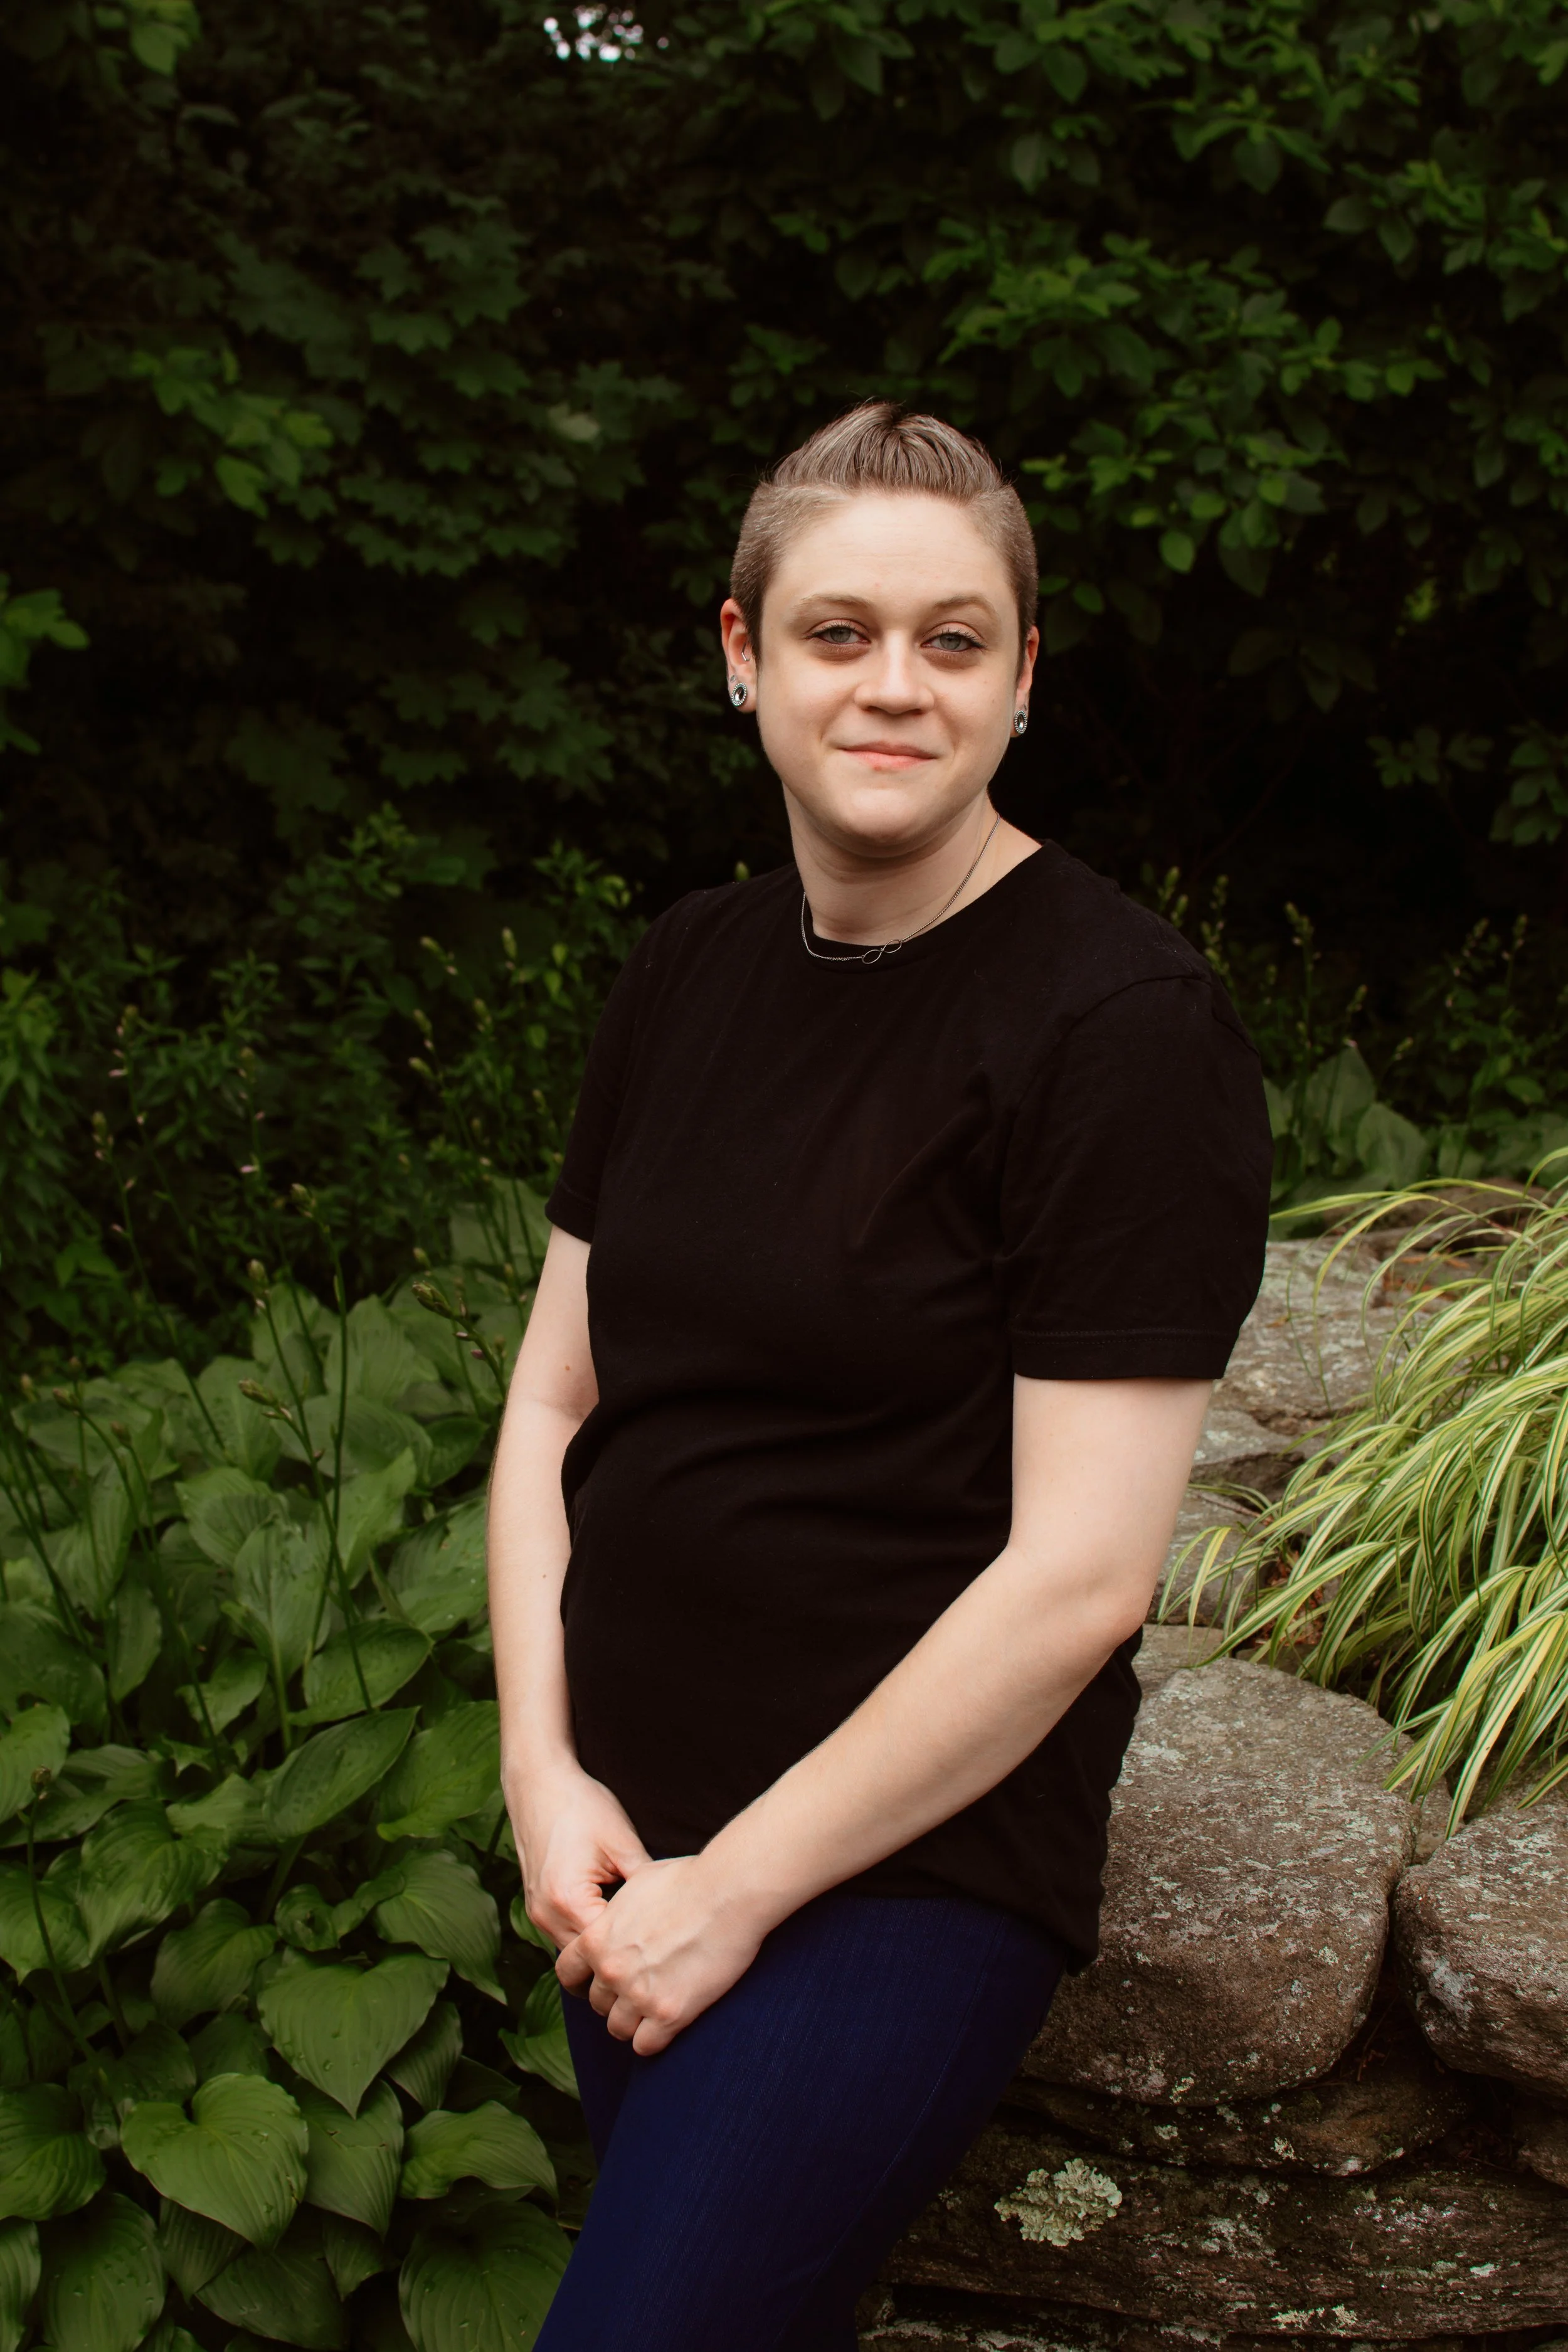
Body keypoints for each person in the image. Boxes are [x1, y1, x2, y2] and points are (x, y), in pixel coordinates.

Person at [489, 401, 1273, 2351]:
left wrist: (740, 1887)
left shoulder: (1122, 1028)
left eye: (953, 638)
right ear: (741, 653)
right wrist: (543, 1772)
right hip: (626, 1839)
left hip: (897, 1874)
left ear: (1023, 677)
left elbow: (1080, 1577)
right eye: (836, 631)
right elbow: (554, 1404)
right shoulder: (687, 969)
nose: (893, 684)